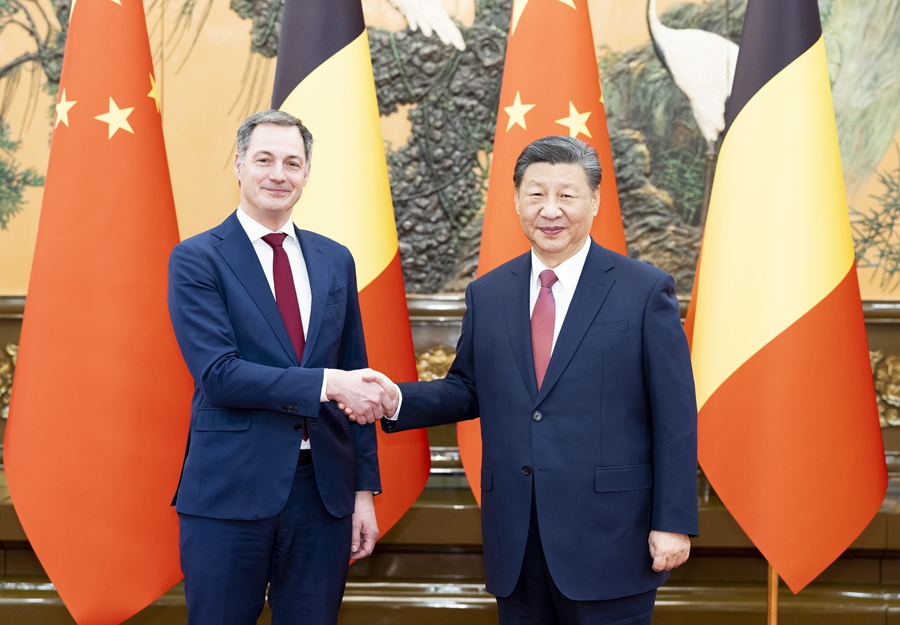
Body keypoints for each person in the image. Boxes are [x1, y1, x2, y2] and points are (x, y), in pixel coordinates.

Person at [352, 135, 699, 624]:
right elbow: (468, 388)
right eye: (536, 194)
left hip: (612, 540)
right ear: (516, 200)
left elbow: (675, 416)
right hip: (517, 540)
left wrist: (673, 521)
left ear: (595, 200)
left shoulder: (644, 290)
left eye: (567, 195)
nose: (550, 210)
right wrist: (395, 400)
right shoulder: (489, 293)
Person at [167, 109, 395, 624]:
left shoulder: (335, 259)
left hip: (324, 494)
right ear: (239, 165)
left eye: (292, 163)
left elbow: (355, 375)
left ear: (307, 172)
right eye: (264, 159)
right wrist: (326, 384)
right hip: (229, 492)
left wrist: (362, 493)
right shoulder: (197, 258)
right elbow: (219, 375)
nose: (278, 174)